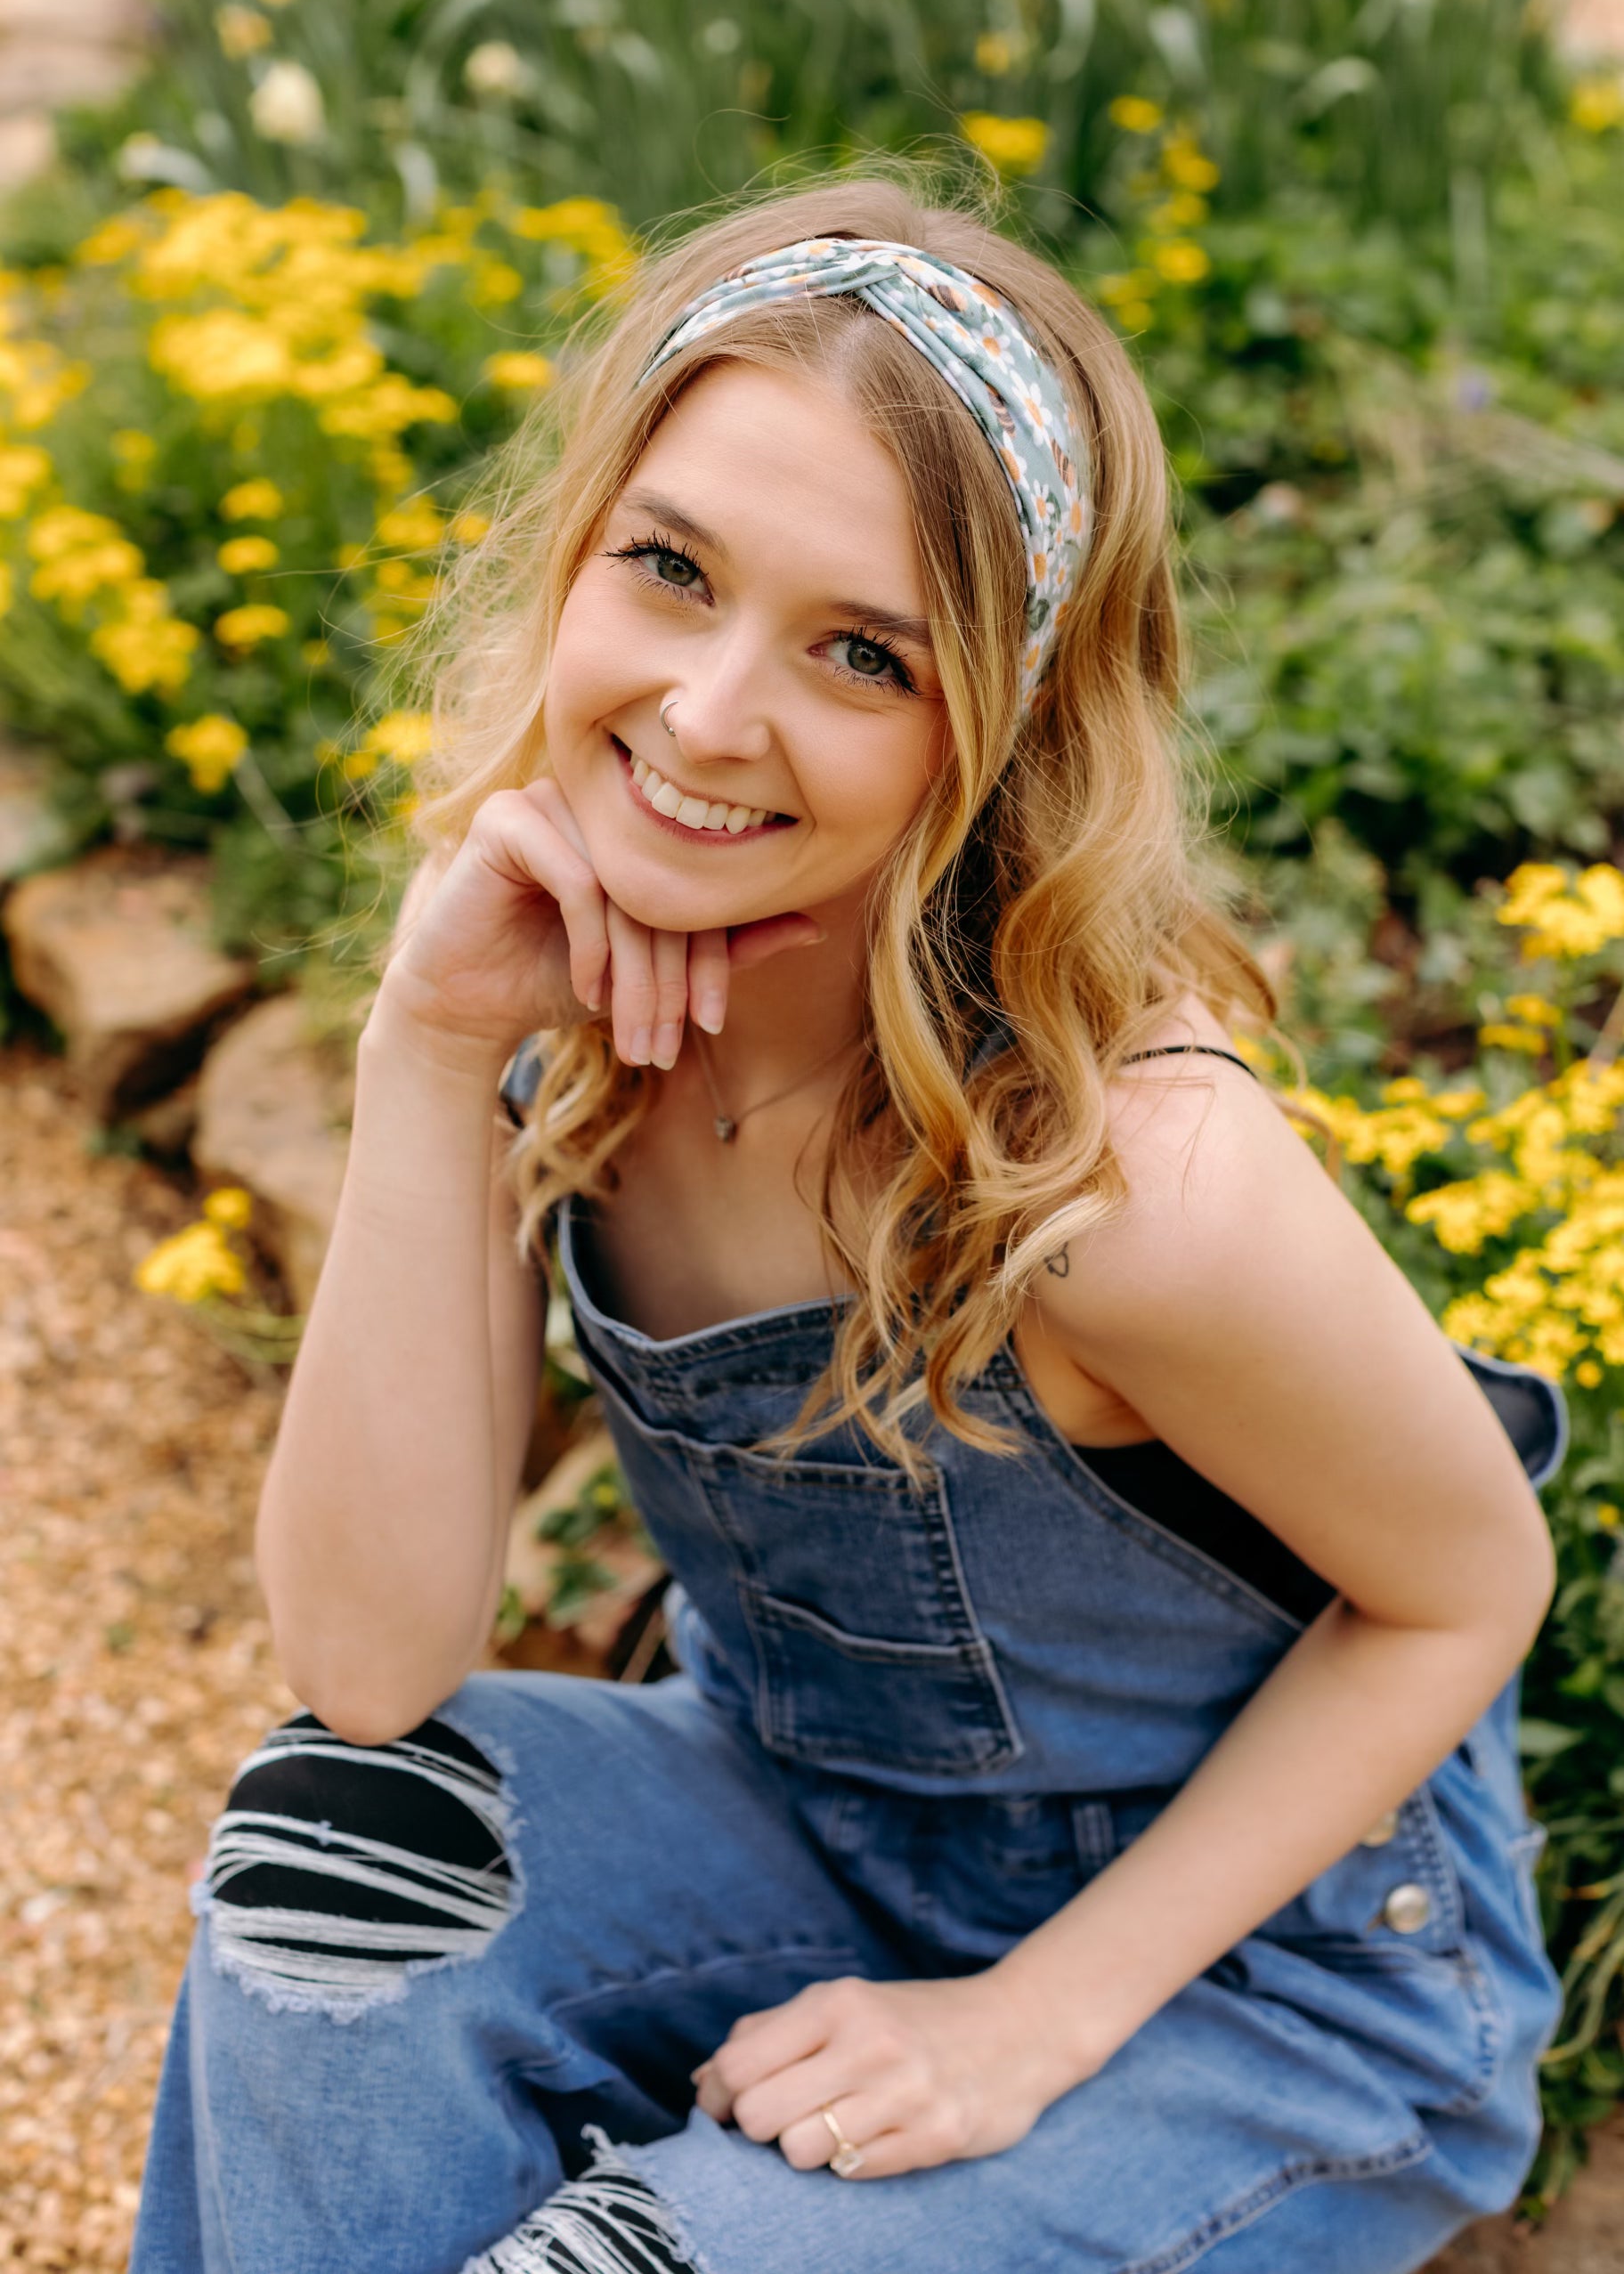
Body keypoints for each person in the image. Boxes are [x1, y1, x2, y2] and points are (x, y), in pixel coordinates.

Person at [130, 169, 1569, 2274]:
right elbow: (367, 1661)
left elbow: (1467, 1587)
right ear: (578, 544)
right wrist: (427, 1056)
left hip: (1278, 1991)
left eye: (862, 654)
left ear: (1002, 730)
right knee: (337, 1865)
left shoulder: (1116, 1182)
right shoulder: (572, 1005)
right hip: (809, 1826)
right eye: (673, 569)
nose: (712, 717)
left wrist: (1026, 2028)